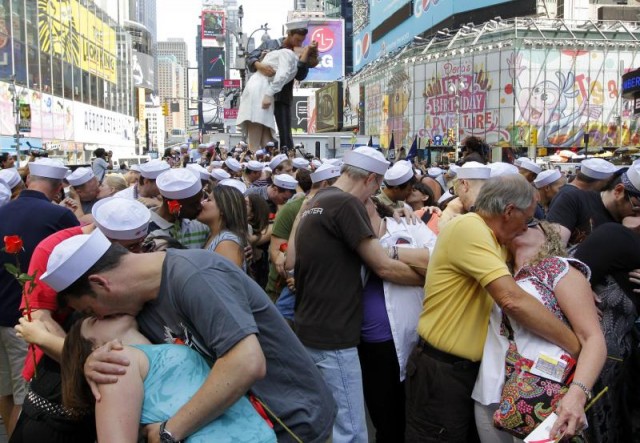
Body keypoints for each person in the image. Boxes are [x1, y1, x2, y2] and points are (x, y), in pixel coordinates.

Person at [44, 230, 336, 443]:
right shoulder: (137, 307)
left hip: (295, 424)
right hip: (241, 429)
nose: (101, 318)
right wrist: (91, 360)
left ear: (100, 283)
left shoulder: (195, 275)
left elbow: (246, 362)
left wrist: (169, 431)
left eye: (90, 309)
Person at [405, 175, 582, 442]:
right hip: (442, 371)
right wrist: (575, 345)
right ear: (509, 211)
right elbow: (512, 299)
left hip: (467, 373)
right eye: (527, 220)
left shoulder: (495, 240)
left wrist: (577, 284)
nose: (525, 228)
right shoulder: (470, 229)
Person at [290, 147, 424, 443]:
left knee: (334, 424)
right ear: (372, 179)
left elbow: (291, 262)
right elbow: (384, 267)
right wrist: (430, 276)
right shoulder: (346, 204)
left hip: (311, 329)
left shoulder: (319, 200)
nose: (374, 196)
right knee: (351, 430)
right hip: (335, 336)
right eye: (376, 187)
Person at [10, 197, 152, 443]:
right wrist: (83, 362)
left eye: (140, 246)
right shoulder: (56, 250)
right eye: (129, 248)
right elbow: (37, 317)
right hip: (57, 376)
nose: (135, 256)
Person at [472, 220, 606, 442]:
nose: (523, 224)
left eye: (533, 224)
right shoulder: (495, 273)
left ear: (549, 239)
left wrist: (577, 394)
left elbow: (593, 338)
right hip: (490, 393)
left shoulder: (558, 268)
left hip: (544, 396)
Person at [61, 315, 276, 442]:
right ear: (95, 349)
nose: (104, 312)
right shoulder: (112, 364)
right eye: (95, 317)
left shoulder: (150, 349)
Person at [0, 158, 79, 438]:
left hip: (4, 316)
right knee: (27, 398)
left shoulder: (3, 210)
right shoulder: (59, 217)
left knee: (6, 394)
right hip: (29, 320)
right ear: (58, 187)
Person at [358, 196, 436, 442]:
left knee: (419, 417)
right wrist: (414, 267)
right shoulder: (344, 236)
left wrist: (391, 252)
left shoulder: (407, 224)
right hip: (372, 344)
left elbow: (438, 259)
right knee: (386, 421)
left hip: (416, 337)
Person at [574, 218, 640, 442]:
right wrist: (577, 287)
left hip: (620, 365)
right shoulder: (615, 237)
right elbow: (566, 272)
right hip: (598, 365)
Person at [246, 22, 313, 151]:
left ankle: (286, 156)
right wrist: (259, 65)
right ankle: (260, 156)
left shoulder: (301, 51)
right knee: (259, 127)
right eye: (297, 39)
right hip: (261, 93)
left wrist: (304, 58)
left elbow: (300, 76)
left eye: (302, 40)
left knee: (285, 133)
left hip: (283, 97)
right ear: (289, 34)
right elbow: (250, 58)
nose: (299, 43)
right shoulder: (270, 44)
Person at [547, 164, 640, 247]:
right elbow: (553, 250)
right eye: (636, 207)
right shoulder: (573, 199)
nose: (638, 216)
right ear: (618, 191)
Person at [146, 168, 210, 249]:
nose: (199, 207)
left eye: (200, 200)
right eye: (193, 204)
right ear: (171, 203)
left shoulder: (199, 226)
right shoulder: (145, 230)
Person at [197, 183, 249, 270]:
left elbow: (227, 282)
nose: (202, 203)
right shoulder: (213, 235)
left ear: (223, 209)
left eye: (208, 200)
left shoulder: (227, 243)